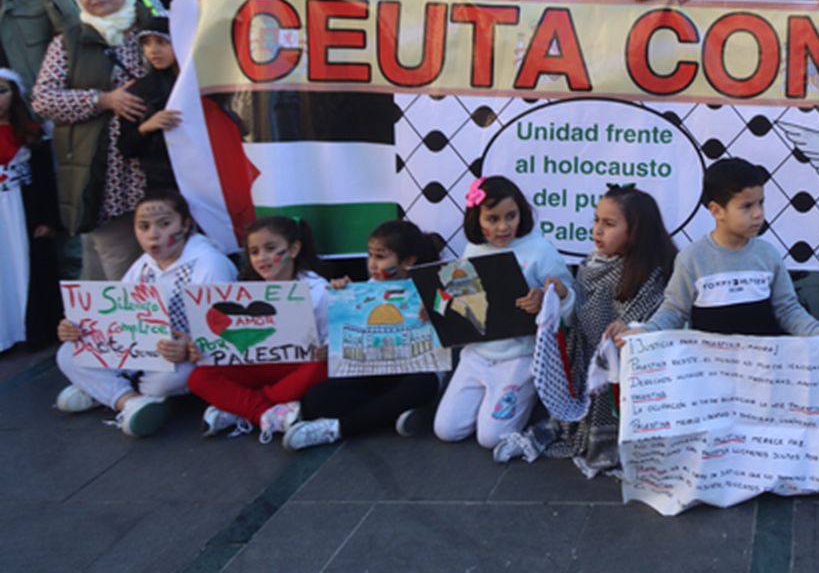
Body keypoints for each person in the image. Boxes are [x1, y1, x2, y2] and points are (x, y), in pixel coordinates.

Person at [614, 158, 819, 510]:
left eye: (761, 203)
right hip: (713, 378)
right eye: (747, 206)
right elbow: (673, 311)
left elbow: (788, 309)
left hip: (764, 370)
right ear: (716, 210)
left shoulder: (767, 255)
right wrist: (642, 333)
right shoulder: (692, 258)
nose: (758, 213)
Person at [504, 185, 677, 474]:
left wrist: (628, 329)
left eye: (608, 224)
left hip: (632, 375)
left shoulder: (653, 273)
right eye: (596, 221)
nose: (597, 230)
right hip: (590, 367)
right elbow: (583, 323)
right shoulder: (590, 264)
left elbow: (623, 330)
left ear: (637, 231)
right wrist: (563, 296)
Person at [54, 191, 236, 436]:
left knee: (168, 380)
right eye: (144, 226)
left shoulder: (210, 264)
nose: (153, 234)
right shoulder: (142, 265)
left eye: (164, 224)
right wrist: (76, 327)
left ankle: (107, 391)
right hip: (141, 352)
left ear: (185, 224)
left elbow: (222, 334)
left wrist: (189, 346)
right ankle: (130, 401)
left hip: (183, 359)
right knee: (68, 353)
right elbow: (117, 317)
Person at [31, 0, 154, 280]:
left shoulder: (150, 33)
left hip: (150, 167)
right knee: (120, 265)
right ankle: (127, 328)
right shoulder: (69, 41)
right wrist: (102, 100)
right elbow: (43, 99)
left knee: (133, 262)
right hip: (99, 174)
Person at [284, 219, 450, 450]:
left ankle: (338, 428)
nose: (372, 264)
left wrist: (436, 311)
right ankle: (391, 414)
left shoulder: (433, 286)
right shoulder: (369, 286)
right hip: (375, 369)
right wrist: (344, 298)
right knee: (316, 399)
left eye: (380, 257)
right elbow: (351, 331)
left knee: (421, 386)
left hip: (419, 371)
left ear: (407, 261)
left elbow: (454, 334)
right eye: (370, 255)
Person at [434, 175, 572, 449]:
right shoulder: (474, 248)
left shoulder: (540, 249)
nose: (503, 227)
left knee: (491, 438)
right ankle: (499, 402)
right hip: (477, 354)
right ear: (478, 220)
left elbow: (567, 292)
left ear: (522, 213)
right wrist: (438, 308)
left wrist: (549, 296)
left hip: (519, 357)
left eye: (511, 216)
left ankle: (531, 402)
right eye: (492, 219)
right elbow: (461, 292)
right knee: (446, 430)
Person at [188, 215, 329, 442]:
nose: (262, 258)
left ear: (293, 249)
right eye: (254, 252)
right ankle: (265, 414)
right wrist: (202, 349)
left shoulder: (318, 290)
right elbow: (224, 344)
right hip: (256, 364)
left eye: (270, 248)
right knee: (198, 377)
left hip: (297, 368)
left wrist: (326, 349)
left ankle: (239, 408)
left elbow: (332, 338)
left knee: (321, 369)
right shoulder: (243, 291)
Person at [0, 68, 60, 351]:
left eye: (2, 91)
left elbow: (47, 181)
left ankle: (34, 330)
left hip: (25, 214)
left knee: (30, 269)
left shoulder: (31, 135)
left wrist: (49, 219)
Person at [116, 17, 179, 193]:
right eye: (146, 43)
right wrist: (146, 127)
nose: (153, 50)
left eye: (161, 42)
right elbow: (125, 147)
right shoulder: (140, 90)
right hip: (163, 182)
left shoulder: (201, 83)